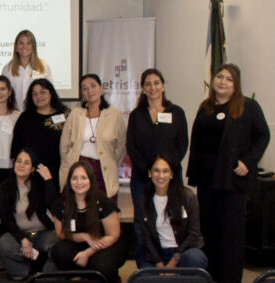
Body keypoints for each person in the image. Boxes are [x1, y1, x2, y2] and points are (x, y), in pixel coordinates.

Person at [187, 63, 269, 283]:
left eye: (229, 79)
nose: (222, 81)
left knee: (231, 230)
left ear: (236, 85)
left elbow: (263, 135)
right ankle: (212, 275)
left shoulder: (248, 107)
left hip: (232, 180)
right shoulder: (206, 107)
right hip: (207, 179)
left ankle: (230, 279)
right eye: (219, 76)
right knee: (209, 228)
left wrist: (248, 162)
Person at [126, 68, 188, 263]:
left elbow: (182, 144)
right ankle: (145, 263)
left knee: (172, 219)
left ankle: (173, 262)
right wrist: (150, 171)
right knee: (141, 221)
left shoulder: (176, 112)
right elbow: (131, 146)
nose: (152, 87)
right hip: (142, 178)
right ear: (143, 89)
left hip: (170, 178)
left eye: (156, 83)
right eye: (148, 84)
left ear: (163, 85)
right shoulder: (137, 115)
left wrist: (164, 170)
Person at [50, 161, 125, 283]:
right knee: (59, 250)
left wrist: (88, 252)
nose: (79, 182)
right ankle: (77, 279)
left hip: (105, 245)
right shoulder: (62, 203)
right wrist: (85, 237)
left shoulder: (103, 202)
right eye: (75, 178)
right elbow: (61, 234)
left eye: (83, 178)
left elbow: (113, 235)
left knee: (102, 264)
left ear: (91, 180)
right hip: (79, 243)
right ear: (69, 180)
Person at [59, 74, 126, 201]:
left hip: (103, 171)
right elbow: (64, 145)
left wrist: (109, 162)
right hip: (78, 169)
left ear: (101, 88)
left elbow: (121, 147)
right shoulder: (75, 113)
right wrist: (69, 163)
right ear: (81, 93)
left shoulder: (114, 115)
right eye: (85, 88)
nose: (89, 91)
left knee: (104, 210)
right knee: (77, 210)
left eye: (93, 86)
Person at [0, 149, 58, 281]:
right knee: (3, 244)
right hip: (19, 235)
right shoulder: (3, 188)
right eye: (19, 161)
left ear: (33, 168)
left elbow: (54, 206)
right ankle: (26, 271)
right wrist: (22, 239)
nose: (21, 165)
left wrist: (48, 179)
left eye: (26, 162)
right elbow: (7, 220)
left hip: (43, 234)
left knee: (58, 241)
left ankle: (46, 274)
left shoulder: (40, 185)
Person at [137, 155, 207, 270]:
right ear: (150, 173)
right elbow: (146, 237)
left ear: (172, 174)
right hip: (159, 253)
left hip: (184, 252)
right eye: (156, 171)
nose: (161, 175)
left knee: (195, 259)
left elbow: (194, 234)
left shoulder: (188, 197)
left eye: (165, 171)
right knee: (144, 274)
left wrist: (174, 261)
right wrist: (159, 263)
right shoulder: (144, 200)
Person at [10, 79, 69, 189]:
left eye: (42, 92)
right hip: (30, 172)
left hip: (57, 171)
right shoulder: (25, 117)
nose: (39, 96)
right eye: (35, 94)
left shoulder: (65, 115)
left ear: (51, 93)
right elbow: (16, 145)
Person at [2, 29, 53, 110]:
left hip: (38, 113)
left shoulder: (44, 66)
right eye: (21, 43)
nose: (24, 46)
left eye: (28, 43)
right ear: (16, 47)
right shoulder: (7, 69)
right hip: (15, 114)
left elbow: (51, 93)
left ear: (33, 46)